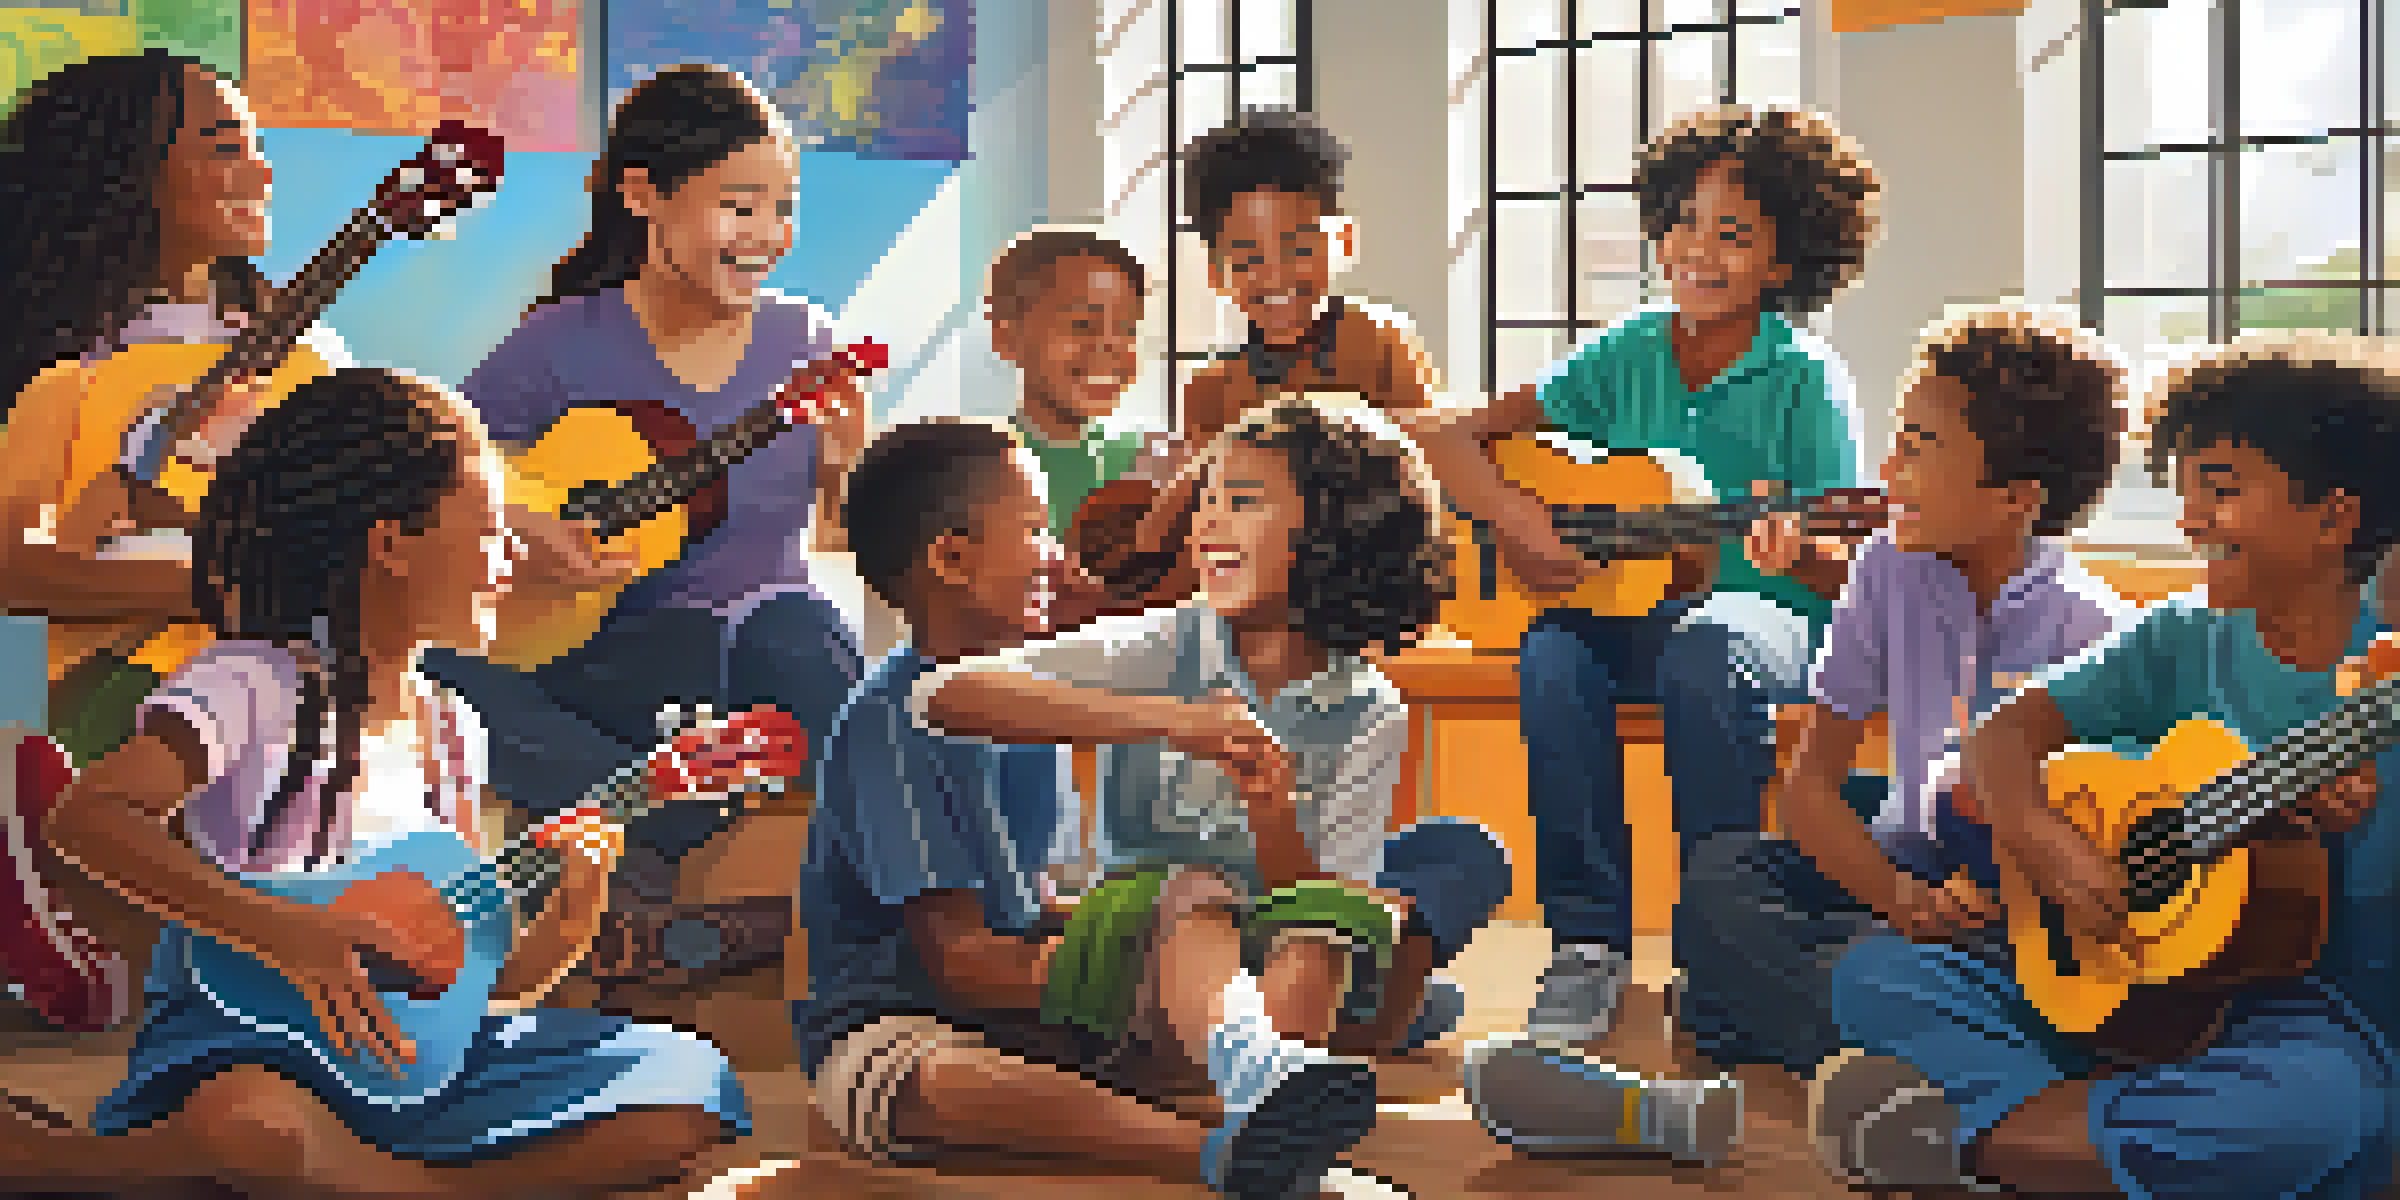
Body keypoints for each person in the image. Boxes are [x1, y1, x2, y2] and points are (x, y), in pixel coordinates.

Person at [0, 368, 751, 1196]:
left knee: (693, 1091)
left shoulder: (453, 730)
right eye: (495, 531)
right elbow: (87, 821)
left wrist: (574, 914)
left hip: (414, 1065)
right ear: (391, 544)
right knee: (256, 1125)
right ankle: (100, 1164)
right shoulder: (252, 682)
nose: (513, 560)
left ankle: (379, 1183)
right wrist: (284, 932)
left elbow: (478, 981)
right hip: (259, 1045)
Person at [1481, 310, 2125, 1119]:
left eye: (1921, 449)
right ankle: (1897, 1022)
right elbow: (1809, 789)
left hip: (2010, 907)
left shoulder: (2091, 631)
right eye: (1900, 440)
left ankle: (1843, 1017)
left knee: (1771, 986)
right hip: (1904, 858)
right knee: (1720, 884)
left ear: (2015, 499)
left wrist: (1978, 901)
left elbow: (2092, 846)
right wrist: (1897, 898)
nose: (1889, 470)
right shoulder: (1886, 570)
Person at [1817, 339, 2398, 1198]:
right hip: (2127, 981)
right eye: (2188, 491)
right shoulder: (2182, 635)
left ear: (2335, 517)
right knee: (1881, 976)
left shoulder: (2382, 670)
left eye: (2224, 491)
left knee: (2316, 1108)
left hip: (2314, 1022)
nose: (2192, 520)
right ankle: (2128, 1146)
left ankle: (1981, 1144)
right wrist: (2039, 834)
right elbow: (2002, 738)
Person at [793, 418, 1386, 1200]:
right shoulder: (889, 725)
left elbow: (1040, 900)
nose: (1056, 555)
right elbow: (962, 965)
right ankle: (1219, 1154)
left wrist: (1171, 937)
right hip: (904, 1014)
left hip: (1033, 1009)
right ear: (951, 559)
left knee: (1192, 893)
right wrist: (1120, 973)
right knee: (921, 1081)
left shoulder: (1039, 713)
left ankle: (1257, 1063)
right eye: (1035, 530)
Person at [1404, 105, 1883, 1059]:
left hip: (1768, 626)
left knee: (1709, 644)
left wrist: (1802, 552)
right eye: (1682, 223)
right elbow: (1447, 434)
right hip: (1633, 617)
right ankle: (1586, 943)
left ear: (1787, 263)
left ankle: (1720, 944)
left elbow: (1851, 577)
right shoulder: (1627, 352)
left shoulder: (1805, 380)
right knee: (1551, 653)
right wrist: (1519, 520)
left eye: (1734, 234)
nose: (1696, 250)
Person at [417, 64, 867, 991]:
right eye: (738, 206)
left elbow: (837, 533)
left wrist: (848, 462)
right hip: (606, 661)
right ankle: (665, 839)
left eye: (782, 209)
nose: (767, 236)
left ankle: (674, 876)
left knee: (800, 633)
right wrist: (532, 526)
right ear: (642, 195)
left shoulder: (806, 344)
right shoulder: (562, 340)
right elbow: (438, 470)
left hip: (750, 662)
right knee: (435, 668)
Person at [916, 403, 1507, 1064]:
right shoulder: (1162, 645)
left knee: (1459, 853)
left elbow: (1317, 903)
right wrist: (1172, 719)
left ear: (1334, 534)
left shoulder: (1371, 709)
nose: (1206, 526)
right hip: (1158, 935)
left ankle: (1331, 1032)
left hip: (1283, 934)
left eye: (1243, 502)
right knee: (1200, 888)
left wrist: (1273, 814)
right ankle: (1320, 1044)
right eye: (1207, 502)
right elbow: (943, 695)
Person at [0, 49, 358, 1031]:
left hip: (280, 685)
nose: (263, 170)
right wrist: (204, 590)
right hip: (111, 679)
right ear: (126, 172)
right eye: (225, 146)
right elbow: (10, 567)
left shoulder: (305, 351)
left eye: (257, 144)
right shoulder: (60, 369)